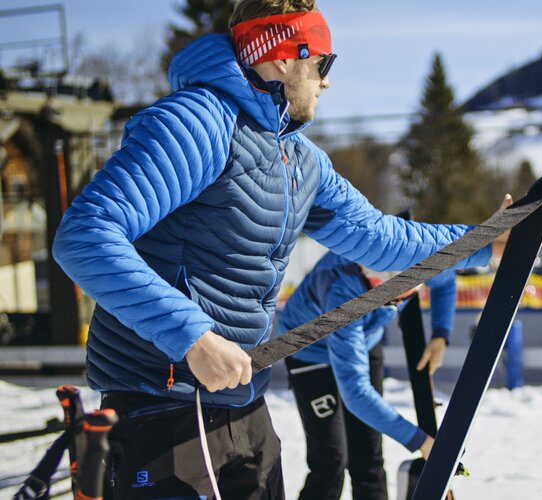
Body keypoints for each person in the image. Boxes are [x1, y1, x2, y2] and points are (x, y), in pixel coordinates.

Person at [51, 1, 506, 498]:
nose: (327, 81)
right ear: (286, 57)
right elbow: (85, 235)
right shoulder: (197, 122)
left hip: (244, 401)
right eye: (323, 64)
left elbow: (380, 237)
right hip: (165, 405)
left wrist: (487, 241)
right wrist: (192, 337)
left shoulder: (298, 158)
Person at [277, 249, 458, 500]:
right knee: (330, 461)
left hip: (363, 340)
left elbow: (446, 278)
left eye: (403, 297)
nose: (397, 304)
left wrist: (441, 334)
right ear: (373, 282)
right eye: (391, 300)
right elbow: (356, 393)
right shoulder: (342, 291)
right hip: (310, 350)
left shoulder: (413, 252)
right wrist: (422, 442)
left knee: (369, 454)